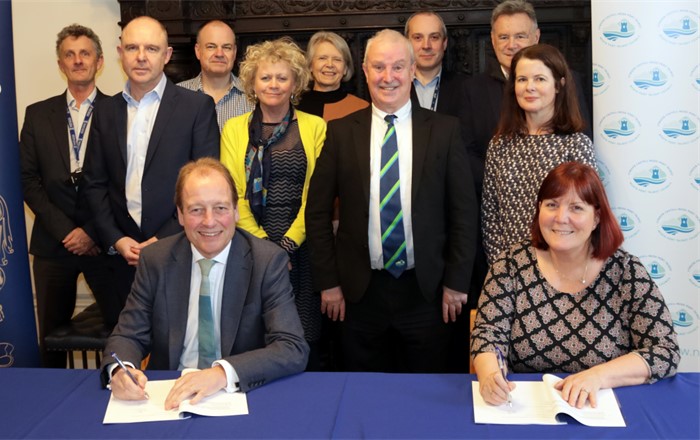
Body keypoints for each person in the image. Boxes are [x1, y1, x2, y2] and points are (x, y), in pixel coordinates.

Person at [306, 29, 478, 373]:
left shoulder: (445, 131)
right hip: (358, 295)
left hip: (428, 293)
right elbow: (317, 213)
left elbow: (464, 214)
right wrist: (329, 283)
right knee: (362, 394)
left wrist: (457, 283)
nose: (388, 77)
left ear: (413, 70)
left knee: (428, 395)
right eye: (379, 67)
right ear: (366, 71)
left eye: (398, 67)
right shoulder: (340, 132)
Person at [101, 158, 309, 406]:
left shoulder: (267, 261)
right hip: (168, 395)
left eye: (220, 208)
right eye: (196, 209)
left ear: (236, 211)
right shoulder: (155, 259)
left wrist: (222, 373)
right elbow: (128, 335)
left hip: (236, 393)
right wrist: (119, 371)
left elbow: (291, 347)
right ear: (179, 214)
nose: (209, 221)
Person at [471, 162, 679, 409]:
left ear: (596, 217)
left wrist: (598, 376)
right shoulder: (510, 265)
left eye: (576, 208)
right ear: (539, 210)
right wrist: (490, 375)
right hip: (526, 409)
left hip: (603, 409)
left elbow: (665, 350)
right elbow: (488, 335)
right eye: (551, 205)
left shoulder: (626, 272)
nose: (561, 218)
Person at [84, 16, 220, 316]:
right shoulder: (105, 111)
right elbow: (94, 183)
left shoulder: (196, 107)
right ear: (120, 53)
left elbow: (206, 187)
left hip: (180, 251)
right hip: (121, 258)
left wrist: (161, 240)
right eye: (132, 47)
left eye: (151, 48)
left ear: (167, 55)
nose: (141, 57)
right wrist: (117, 240)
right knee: (127, 345)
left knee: (176, 350)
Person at [219, 37, 326, 370]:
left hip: (303, 246)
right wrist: (267, 248)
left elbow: (317, 194)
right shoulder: (234, 129)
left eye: (282, 77)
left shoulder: (315, 126)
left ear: (295, 83)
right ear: (252, 82)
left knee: (304, 334)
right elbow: (232, 194)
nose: (274, 84)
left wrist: (288, 245)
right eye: (266, 77)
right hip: (251, 248)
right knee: (256, 334)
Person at [19, 24, 118, 367]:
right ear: (60, 64)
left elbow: (123, 181)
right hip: (52, 244)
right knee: (51, 343)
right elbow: (28, 181)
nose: (78, 61)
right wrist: (67, 231)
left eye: (85, 53)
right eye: (70, 55)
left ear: (99, 61)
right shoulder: (36, 114)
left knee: (122, 336)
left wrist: (91, 230)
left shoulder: (119, 111)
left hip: (104, 242)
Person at [481, 43, 597, 266]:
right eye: (522, 79)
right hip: (510, 270)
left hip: (564, 267)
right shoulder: (499, 145)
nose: (529, 87)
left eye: (540, 79)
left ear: (558, 85)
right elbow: (490, 217)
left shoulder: (576, 144)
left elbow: (585, 213)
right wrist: (503, 268)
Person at [464, 0, 592, 185]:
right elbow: (467, 152)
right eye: (503, 37)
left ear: (536, 37)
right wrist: (504, 181)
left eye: (520, 36)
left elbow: (581, 132)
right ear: (492, 40)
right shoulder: (472, 89)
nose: (511, 45)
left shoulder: (568, 80)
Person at [178, 20, 253, 131]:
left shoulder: (254, 96)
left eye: (226, 47)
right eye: (211, 47)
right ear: (198, 51)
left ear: (234, 52)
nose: (219, 54)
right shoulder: (176, 96)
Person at [405, 11, 469, 126]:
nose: (426, 46)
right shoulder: (393, 87)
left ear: (444, 43)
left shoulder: (467, 88)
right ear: (407, 44)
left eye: (434, 37)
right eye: (418, 38)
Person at [296, 31, 368, 121]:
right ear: (310, 65)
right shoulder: (294, 106)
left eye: (337, 59)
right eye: (322, 58)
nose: (330, 65)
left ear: (345, 68)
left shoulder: (362, 109)